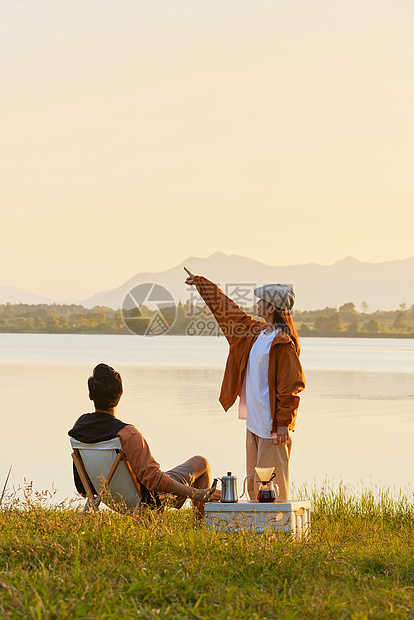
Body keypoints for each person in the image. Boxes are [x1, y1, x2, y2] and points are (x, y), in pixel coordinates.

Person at [184, 267, 305, 501]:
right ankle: (257, 534)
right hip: (254, 424)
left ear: (271, 308)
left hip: (273, 429)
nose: (257, 304)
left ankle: (277, 534)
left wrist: (283, 424)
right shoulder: (254, 332)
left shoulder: (283, 344)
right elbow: (227, 310)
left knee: (273, 489)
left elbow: (291, 386)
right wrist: (202, 285)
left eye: (261, 301)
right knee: (255, 488)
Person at [68, 363, 217, 517]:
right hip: (141, 501)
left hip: (106, 496)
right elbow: (155, 481)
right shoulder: (127, 434)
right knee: (201, 463)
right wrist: (197, 493)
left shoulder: (79, 426)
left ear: (90, 396)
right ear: (121, 393)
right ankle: (199, 525)